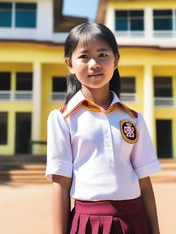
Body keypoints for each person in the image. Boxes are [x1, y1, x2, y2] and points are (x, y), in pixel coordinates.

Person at [45, 22, 161, 234]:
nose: (94, 64)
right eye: (84, 56)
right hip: (87, 223)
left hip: (134, 222)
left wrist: (155, 231)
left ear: (116, 60)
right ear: (69, 64)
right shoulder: (62, 119)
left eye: (103, 55)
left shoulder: (133, 119)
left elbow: (145, 184)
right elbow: (60, 185)